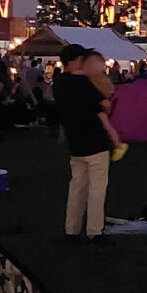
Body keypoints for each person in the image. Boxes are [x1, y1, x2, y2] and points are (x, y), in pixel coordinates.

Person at [53, 45, 115, 245]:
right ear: (76, 61)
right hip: (95, 141)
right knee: (97, 188)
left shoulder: (59, 82)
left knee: (77, 186)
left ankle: (71, 230)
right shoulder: (84, 83)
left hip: (75, 141)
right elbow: (105, 105)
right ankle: (94, 232)